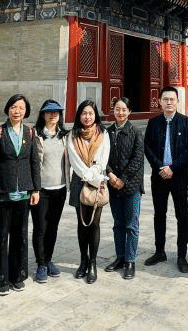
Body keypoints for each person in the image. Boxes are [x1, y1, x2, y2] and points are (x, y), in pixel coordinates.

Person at [0, 94, 41, 295]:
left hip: (23, 193)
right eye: (14, 107)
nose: (17, 111)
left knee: (20, 237)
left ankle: (17, 275)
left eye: (21, 108)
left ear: (26, 111)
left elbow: (34, 162)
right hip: (1, 193)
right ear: (8, 109)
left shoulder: (30, 132)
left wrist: (36, 189)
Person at [143, 85, 188, 273]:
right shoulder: (153, 123)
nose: (168, 102)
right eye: (165, 99)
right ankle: (160, 251)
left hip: (179, 176)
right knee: (159, 214)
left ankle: (181, 255)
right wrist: (161, 167)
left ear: (177, 101)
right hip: (159, 175)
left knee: (182, 215)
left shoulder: (187, 123)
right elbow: (147, 147)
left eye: (172, 99)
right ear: (159, 101)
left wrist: (172, 168)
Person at [67, 99, 110, 283]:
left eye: (90, 113)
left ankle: (92, 263)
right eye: (84, 113)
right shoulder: (72, 135)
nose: (87, 117)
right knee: (81, 223)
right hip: (79, 180)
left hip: (97, 180)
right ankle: (83, 261)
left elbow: (102, 160)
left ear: (95, 115)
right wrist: (87, 174)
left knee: (94, 223)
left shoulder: (103, 133)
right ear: (79, 115)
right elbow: (74, 160)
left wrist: (92, 175)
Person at [104, 96, 144, 279]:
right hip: (113, 185)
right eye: (117, 109)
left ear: (129, 112)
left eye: (124, 109)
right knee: (118, 224)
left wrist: (123, 179)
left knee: (131, 225)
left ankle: (130, 261)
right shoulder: (107, 133)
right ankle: (120, 257)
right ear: (113, 110)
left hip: (131, 186)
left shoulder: (135, 132)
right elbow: (102, 157)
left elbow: (138, 159)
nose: (120, 112)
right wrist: (111, 174)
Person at [30, 99, 68, 283]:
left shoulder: (65, 136)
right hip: (41, 190)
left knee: (53, 227)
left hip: (60, 189)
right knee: (40, 228)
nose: (53, 115)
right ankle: (40, 264)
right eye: (49, 112)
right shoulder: (35, 135)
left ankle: (48, 259)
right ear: (43, 115)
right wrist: (34, 188)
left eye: (56, 112)